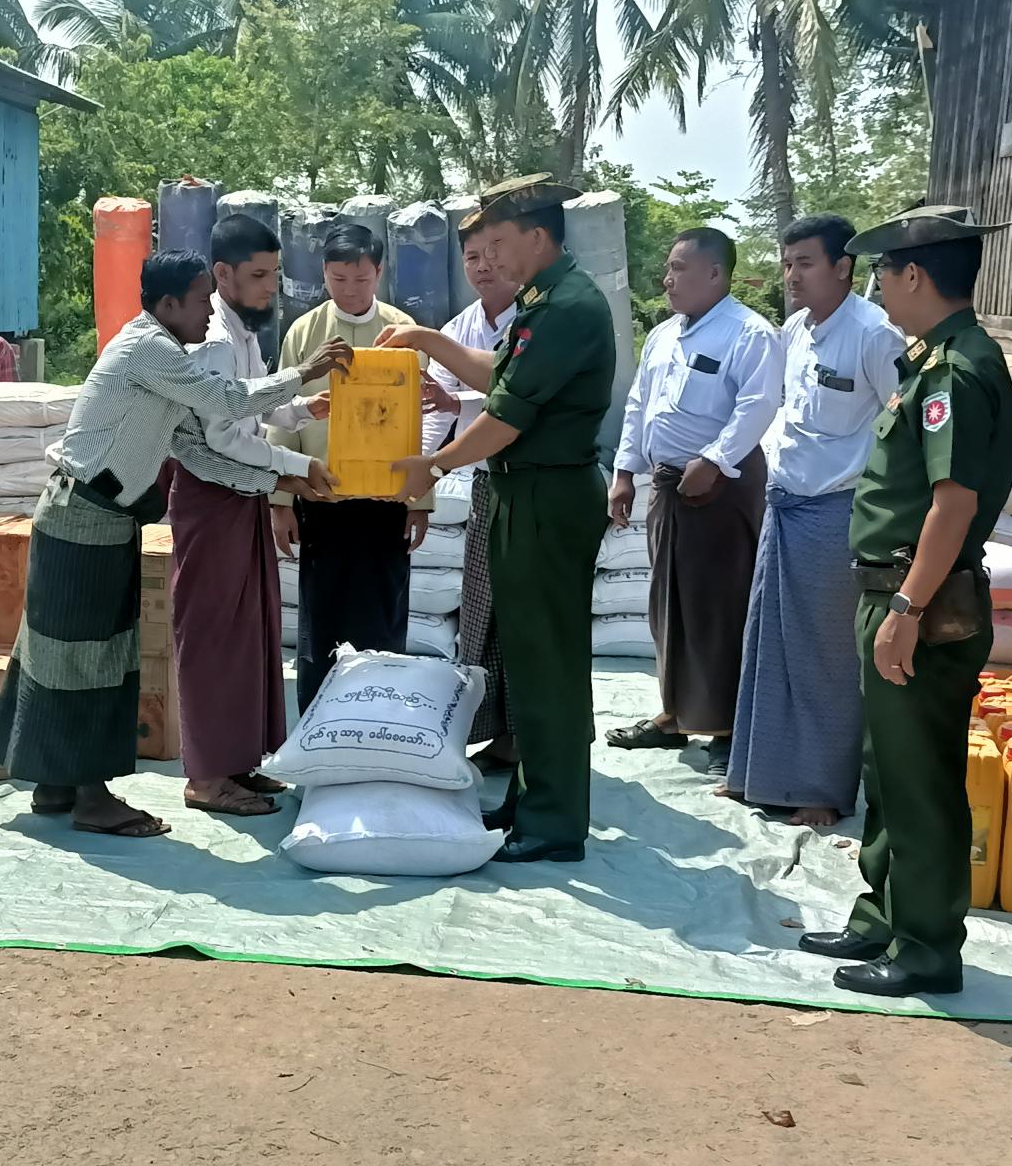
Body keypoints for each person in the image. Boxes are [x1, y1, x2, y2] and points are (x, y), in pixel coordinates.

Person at [0, 250, 350, 839]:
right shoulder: (148, 349)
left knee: (74, 651)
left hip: (99, 517)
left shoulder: (166, 360)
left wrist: (283, 477)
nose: (209, 312)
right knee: (85, 658)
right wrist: (302, 373)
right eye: (201, 301)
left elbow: (196, 451)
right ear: (168, 303)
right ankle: (90, 798)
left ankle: (56, 784)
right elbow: (228, 401)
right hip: (84, 516)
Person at [798, 205, 1012, 998]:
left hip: (920, 601)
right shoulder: (934, 360)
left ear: (914, 275)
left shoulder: (956, 370)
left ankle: (925, 946)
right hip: (897, 594)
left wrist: (908, 611)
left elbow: (953, 506)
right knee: (888, 773)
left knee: (919, 781)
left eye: (884, 273)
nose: (880, 288)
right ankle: (884, 916)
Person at [382, 173, 615, 864]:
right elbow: (499, 375)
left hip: (547, 497)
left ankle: (554, 822)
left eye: (500, 242)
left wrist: (434, 466)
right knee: (528, 658)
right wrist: (429, 340)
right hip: (528, 496)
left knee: (549, 665)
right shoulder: (543, 300)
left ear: (537, 237)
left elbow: (508, 417)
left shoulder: (567, 306)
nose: (492, 258)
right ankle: (533, 797)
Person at [719, 215, 905, 827]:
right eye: (787, 263)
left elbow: (902, 430)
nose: (791, 276)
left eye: (804, 263)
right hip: (785, 504)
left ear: (843, 268)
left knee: (825, 656)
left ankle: (822, 790)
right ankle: (756, 775)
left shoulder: (874, 335)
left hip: (838, 512)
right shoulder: (795, 329)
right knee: (767, 643)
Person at [606, 228, 784, 773]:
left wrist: (713, 461)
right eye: (668, 268)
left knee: (720, 606)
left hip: (721, 487)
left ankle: (728, 725)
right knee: (668, 603)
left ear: (715, 273)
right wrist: (624, 472)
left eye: (679, 269)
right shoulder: (663, 335)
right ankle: (674, 715)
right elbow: (638, 404)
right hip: (668, 485)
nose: (667, 279)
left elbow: (758, 404)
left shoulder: (749, 333)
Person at [169, 217, 329, 817]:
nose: (270, 287)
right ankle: (207, 777)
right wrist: (296, 466)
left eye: (275, 275)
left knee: (249, 632)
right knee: (214, 635)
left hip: (243, 491)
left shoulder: (244, 330)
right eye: (259, 275)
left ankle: (238, 760)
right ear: (223, 273)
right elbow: (223, 435)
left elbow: (258, 403)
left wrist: (306, 409)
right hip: (212, 494)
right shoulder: (212, 338)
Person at [267, 223, 435, 711]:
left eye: (361, 279)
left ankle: (377, 720)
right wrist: (281, 499)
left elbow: (423, 422)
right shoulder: (304, 333)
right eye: (339, 279)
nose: (350, 290)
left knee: (382, 616)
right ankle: (319, 726)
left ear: (379, 272)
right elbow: (282, 417)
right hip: (322, 496)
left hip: (386, 499)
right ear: (323, 274)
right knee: (322, 619)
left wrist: (419, 501)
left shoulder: (404, 332)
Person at [424, 219, 519, 774]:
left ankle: (530, 734)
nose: (483, 267)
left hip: (527, 483)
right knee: (483, 611)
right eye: (471, 257)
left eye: (491, 253)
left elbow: (519, 396)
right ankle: (496, 732)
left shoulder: (536, 322)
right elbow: (431, 413)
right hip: (484, 484)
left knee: (525, 614)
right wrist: (416, 475)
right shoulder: (459, 328)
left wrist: (456, 403)